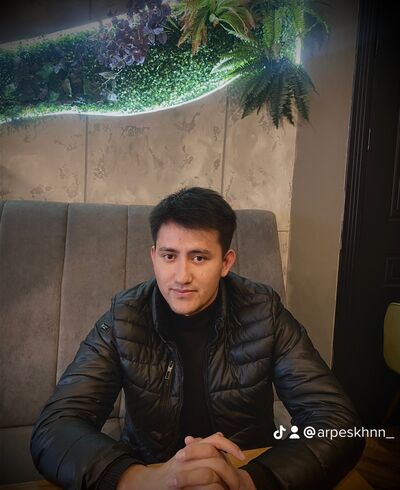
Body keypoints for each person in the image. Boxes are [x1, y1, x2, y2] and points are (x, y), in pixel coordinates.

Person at [31, 187, 365, 490]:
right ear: (154, 257)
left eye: (199, 257)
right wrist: (138, 479)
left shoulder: (264, 311)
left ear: (226, 262)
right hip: (151, 471)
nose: (181, 276)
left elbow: (338, 422)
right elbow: (56, 426)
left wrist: (252, 480)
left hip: (243, 467)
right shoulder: (125, 316)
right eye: (169, 256)